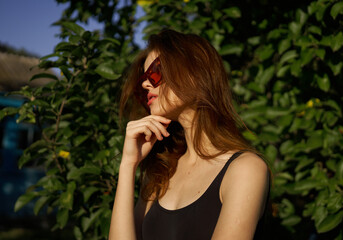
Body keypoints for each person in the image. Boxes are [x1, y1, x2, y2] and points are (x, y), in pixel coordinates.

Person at [109, 29, 270, 240]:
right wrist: (128, 164)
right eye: (144, 79)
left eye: (155, 73)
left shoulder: (245, 170)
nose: (145, 84)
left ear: (194, 73)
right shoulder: (160, 174)